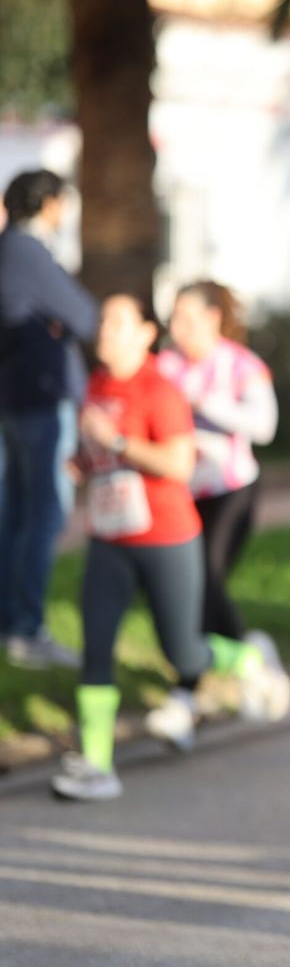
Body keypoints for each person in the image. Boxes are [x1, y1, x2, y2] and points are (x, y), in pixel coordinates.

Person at [53, 295, 290, 801]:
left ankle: (247, 660)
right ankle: (97, 765)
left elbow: (178, 465)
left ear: (144, 333)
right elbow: (101, 451)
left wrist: (116, 442)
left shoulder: (161, 389)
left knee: (182, 650)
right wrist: (84, 460)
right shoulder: (98, 385)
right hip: (109, 538)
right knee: (97, 646)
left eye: (118, 322)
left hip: (165, 536)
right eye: (103, 322)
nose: (105, 331)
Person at [0, 169, 96, 669]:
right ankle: (27, 629)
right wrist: (57, 324)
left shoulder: (7, 250)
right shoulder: (27, 251)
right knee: (43, 515)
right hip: (39, 401)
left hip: (14, 400)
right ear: (49, 203)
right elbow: (84, 316)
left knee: (15, 513)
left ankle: (12, 623)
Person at [157, 281, 278, 642]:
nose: (178, 329)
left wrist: (204, 404)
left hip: (230, 487)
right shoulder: (165, 366)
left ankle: (246, 655)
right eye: (174, 319)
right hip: (181, 490)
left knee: (208, 574)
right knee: (183, 582)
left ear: (213, 318)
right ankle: (206, 664)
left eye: (187, 319)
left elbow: (264, 427)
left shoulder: (242, 364)